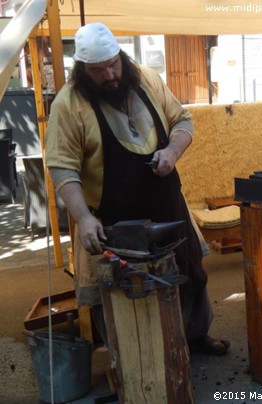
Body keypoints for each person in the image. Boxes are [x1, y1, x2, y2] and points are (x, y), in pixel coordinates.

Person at [45, 22, 229, 355]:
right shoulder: (68, 105)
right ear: (82, 70)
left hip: (167, 206)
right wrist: (84, 218)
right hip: (114, 221)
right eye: (98, 70)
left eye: (113, 64)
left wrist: (172, 152)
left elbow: (182, 120)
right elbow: (61, 166)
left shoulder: (146, 77)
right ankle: (134, 362)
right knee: (121, 292)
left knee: (190, 274)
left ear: (121, 57)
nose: (110, 75)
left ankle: (195, 338)